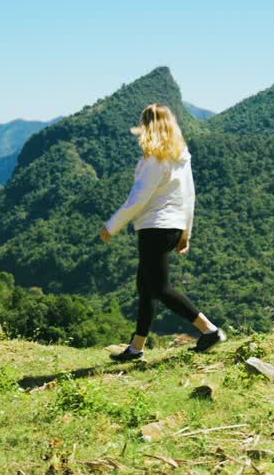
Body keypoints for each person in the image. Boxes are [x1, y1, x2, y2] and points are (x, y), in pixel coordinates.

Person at [99, 103, 225, 362]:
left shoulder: (154, 158)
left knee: (159, 287)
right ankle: (136, 347)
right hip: (173, 225)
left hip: (155, 227)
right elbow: (189, 196)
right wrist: (185, 233)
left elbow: (138, 199)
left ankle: (209, 330)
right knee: (146, 286)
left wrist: (112, 225)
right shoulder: (180, 156)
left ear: (147, 127)